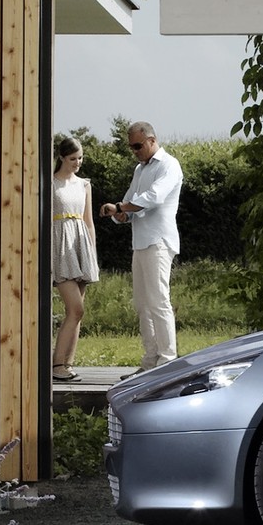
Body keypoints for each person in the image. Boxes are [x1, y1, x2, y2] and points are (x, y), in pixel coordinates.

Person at [99, 121, 183, 372]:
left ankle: (167, 361)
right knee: (142, 304)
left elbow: (154, 198)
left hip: (159, 241)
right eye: (131, 147)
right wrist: (121, 213)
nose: (134, 151)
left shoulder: (169, 165)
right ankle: (149, 362)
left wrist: (123, 208)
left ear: (151, 140)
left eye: (137, 146)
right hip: (142, 242)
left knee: (158, 302)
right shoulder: (140, 169)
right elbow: (129, 201)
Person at [50, 136, 100, 382]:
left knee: (78, 313)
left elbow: (88, 221)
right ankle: (57, 364)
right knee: (75, 308)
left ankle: (66, 365)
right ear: (61, 157)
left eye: (80, 158)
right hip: (60, 246)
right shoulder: (50, 183)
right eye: (73, 158)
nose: (77, 162)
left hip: (81, 245)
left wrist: (92, 253)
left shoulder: (84, 185)